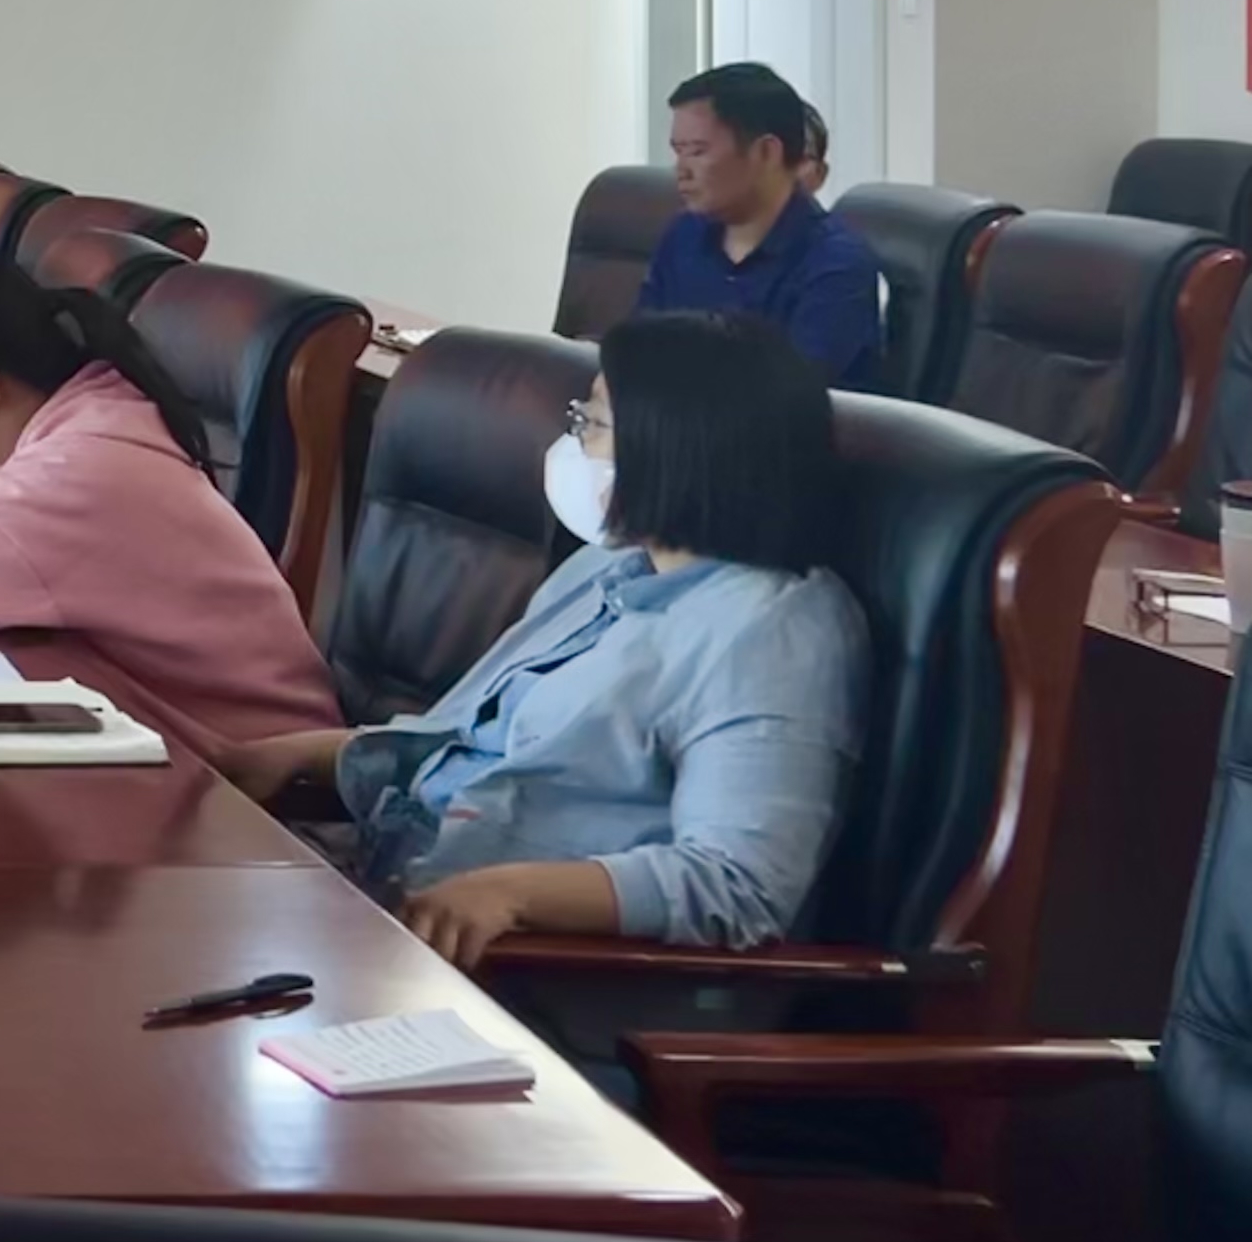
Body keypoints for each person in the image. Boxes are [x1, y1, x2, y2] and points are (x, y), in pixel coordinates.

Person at [218, 310, 867, 969]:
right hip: (387, 895)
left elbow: (740, 884)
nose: (572, 445)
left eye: (594, 424)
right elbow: (474, 749)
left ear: (674, 449)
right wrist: (304, 754)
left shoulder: (774, 636)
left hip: (528, 974)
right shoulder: (609, 570)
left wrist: (512, 894)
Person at [0, 251, 340, 761]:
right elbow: (7, 518)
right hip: (189, 733)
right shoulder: (83, 420)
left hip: (270, 775)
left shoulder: (79, 467)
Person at [633, 61, 882, 387]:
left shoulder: (837, 265)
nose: (681, 170)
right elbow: (638, 353)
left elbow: (791, 398)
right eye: (677, 152)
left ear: (766, 152)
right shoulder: (683, 236)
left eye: (697, 152)